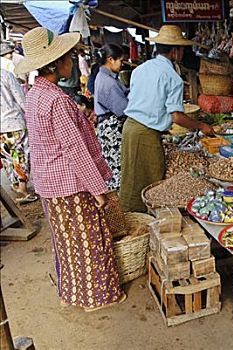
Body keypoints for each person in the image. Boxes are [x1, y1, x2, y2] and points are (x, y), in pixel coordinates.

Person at [14, 27, 125, 312]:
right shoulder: (57, 101)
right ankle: (96, 298)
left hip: (50, 184)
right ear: (56, 63)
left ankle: (72, 293)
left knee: (67, 241)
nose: (73, 62)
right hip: (70, 184)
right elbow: (75, 149)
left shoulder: (36, 93)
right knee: (90, 240)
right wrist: (98, 190)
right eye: (69, 57)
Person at [120, 25, 214, 212]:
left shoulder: (141, 69)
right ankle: (141, 218)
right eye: (181, 49)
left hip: (129, 127)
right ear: (175, 51)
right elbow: (177, 116)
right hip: (145, 133)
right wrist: (200, 125)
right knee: (150, 179)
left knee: (130, 175)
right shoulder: (172, 77)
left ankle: (131, 215)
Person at [94, 44, 128, 191]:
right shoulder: (108, 82)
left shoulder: (106, 77)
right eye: (120, 61)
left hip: (108, 125)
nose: (122, 64)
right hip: (111, 127)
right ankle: (119, 202)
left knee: (112, 164)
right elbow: (123, 110)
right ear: (110, 59)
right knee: (116, 166)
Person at [0, 68, 37, 204]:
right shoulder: (5, 75)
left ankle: (16, 185)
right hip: (14, 122)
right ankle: (22, 188)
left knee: (8, 158)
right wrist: (30, 117)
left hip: (1, 129)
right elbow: (21, 99)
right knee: (21, 156)